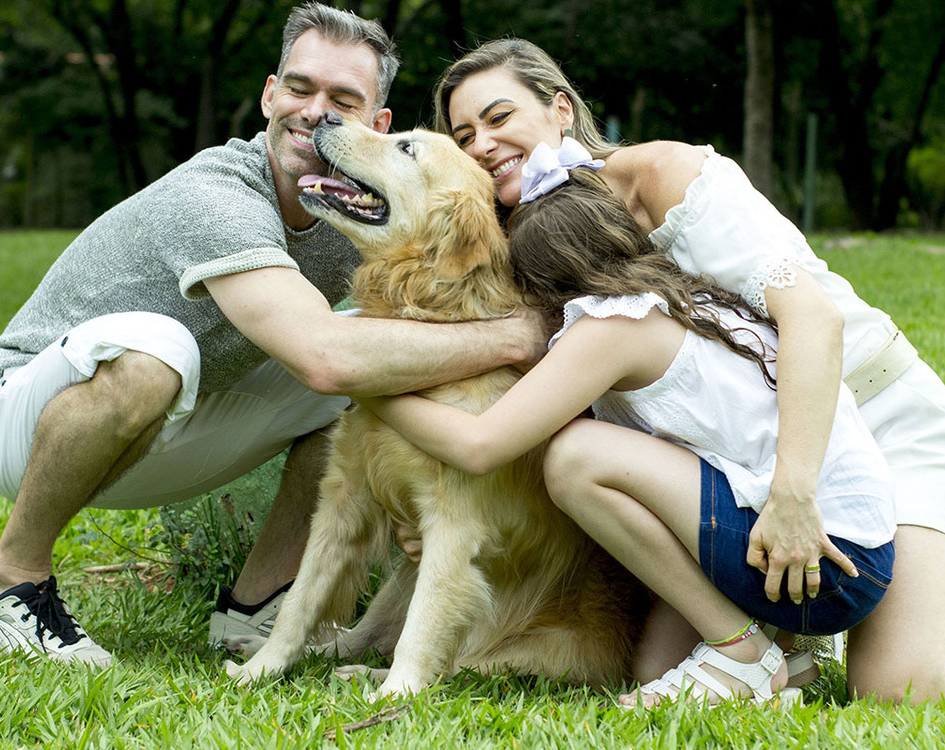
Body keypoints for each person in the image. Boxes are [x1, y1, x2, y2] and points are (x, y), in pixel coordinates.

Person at [430, 38, 945, 702]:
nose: (482, 143)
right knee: (657, 669)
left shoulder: (670, 177)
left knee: (897, 687)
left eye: (499, 118)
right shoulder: (525, 237)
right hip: (733, 460)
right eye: (464, 133)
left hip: (873, 417)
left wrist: (795, 495)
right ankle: (782, 643)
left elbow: (812, 321)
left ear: (561, 109)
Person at [0, 5, 542, 669]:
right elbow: (323, 358)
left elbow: (429, 287)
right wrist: (516, 339)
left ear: (377, 124)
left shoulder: (347, 201)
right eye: (300, 88)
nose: (315, 112)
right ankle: (10, 586)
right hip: (27, 418)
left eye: (342, 100)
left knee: (373, 356)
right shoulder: (217, 194)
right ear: (270, 93)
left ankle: (258, 603)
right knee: (179, 350)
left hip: (176, 417)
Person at [358, 152, 897, 708]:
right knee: (654, 668)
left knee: (574, 459)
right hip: (842, 548)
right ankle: (787, 652)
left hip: (817, 554)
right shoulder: (678, 300)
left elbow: (480, 445)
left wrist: (370, 388)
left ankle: (743, 653)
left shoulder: (612, 327)